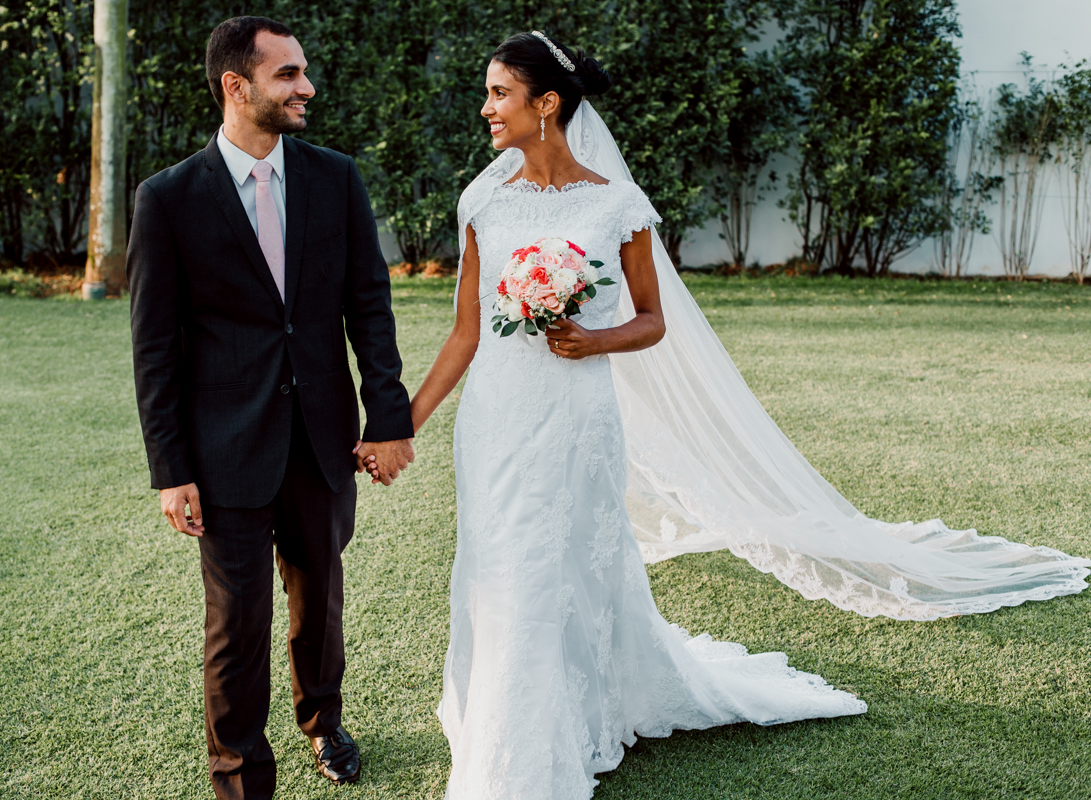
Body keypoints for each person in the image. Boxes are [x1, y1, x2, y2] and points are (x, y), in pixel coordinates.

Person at [389, 32, 869, 800]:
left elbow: (652, 319)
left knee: (571, 561)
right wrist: (404, 422)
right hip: (498, 424)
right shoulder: (481, 201)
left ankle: (572, 715)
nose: (486, 108)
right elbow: (465, 332)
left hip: (578, 421)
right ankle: (503, 724)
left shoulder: (617, 206)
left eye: (499, 94)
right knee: (504, 566)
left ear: (546, 105)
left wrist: (595, 337)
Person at [126, 16, 414, 799]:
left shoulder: (335, 179)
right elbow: (154, 349)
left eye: (303, 72)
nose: (306, 87)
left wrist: (387, 418)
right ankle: (241, 775)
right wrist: (171, 469)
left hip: (322, 439)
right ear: (237, 85)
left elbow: (370, 308)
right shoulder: (168, 200)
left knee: (320, 596)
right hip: (223, 451)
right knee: (236, 624)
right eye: (288, 74)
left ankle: (323, 720)